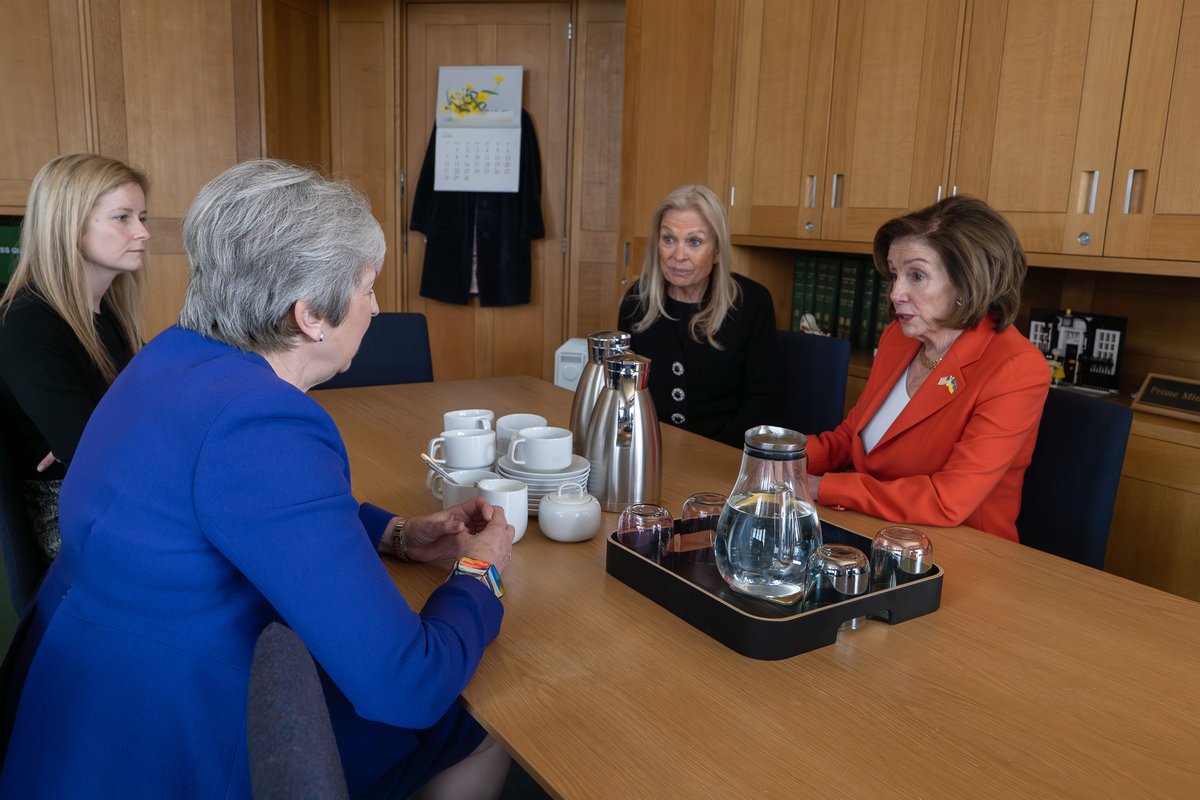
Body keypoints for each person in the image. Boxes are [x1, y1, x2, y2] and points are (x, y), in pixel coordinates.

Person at [0, 160, 515, 799]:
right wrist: (481, 574)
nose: (377, 309)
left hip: (82, 710)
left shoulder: (171, 355)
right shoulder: (263, 420)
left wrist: (396, 533)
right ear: (309, 317)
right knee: (467, 726)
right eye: (368, 288)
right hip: (177, 742)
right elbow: (406, 683)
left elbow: (239, 500)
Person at [804, 195, 1050, 541]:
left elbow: (948, 500)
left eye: (916, 276)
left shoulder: (1017, 367)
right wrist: (781, 459)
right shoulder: (899, 337)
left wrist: (824, 487)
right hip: (875, 530)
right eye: (894, 275)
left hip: (960, 551)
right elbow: (850, 438)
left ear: (968, 283)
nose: (895, 293)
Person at [0, 154, 148, 561]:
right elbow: (99, 455)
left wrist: (105, 428)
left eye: (142, 217)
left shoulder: (110, 315)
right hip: (76, 517)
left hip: (121, 494)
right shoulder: (29, 324)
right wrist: (102, 434)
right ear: (70, 225)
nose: (143, 232)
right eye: (122, 218)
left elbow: (148, 413)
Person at [618, 184, 777, 447]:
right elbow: (626, 393)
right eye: (669, 239)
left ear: (716, 250)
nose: (678, 255)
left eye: (694, 242)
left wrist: (712, 458)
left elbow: (761, 402)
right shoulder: (637, 300)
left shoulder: (752, 303)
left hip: (725, 455)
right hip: (651, 450)